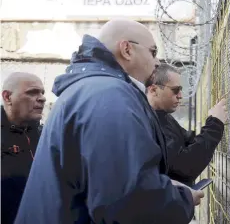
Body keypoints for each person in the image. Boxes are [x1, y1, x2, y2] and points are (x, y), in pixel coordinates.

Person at [14, 19, 204, 224]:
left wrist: (161, 185)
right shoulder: (111, 96)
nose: (157, 62)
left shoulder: (94, 90)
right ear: (127, 49)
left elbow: (107, 180)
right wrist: (184, 200)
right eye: (153, 52)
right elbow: (127, 202)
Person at [147, 63, 228, 186]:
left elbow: (189, 140)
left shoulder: (164, 117)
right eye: (175, 90)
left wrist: (212, 121)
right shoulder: (150, 122)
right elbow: (185, 167)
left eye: (180, 90)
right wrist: (215, 124)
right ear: (154, 90)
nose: (180, 96)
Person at [1, 72, 46, 224]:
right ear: (7, 97)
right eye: (32, 92)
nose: (42, 98)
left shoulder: (46, 136)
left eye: (42, 93)